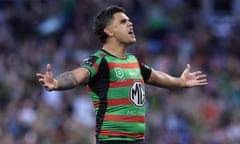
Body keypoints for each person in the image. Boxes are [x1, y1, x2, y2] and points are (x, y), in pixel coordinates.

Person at [36, 5, 208, 144]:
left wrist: (180, 81)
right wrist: (57, 83)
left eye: (130, 21)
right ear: (109, 31)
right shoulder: (100, 60)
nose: (130, 24)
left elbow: (156, 76)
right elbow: (77, 75)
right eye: (123, 21)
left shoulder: (133, 61)